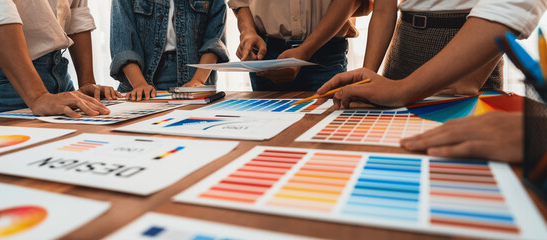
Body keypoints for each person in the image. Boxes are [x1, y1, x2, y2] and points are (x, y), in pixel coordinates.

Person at [317, 0, 547, 161]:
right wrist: (365, 78)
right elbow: (385, 7)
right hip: (406, 38)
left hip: (472, 39)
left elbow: (510, 5)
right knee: (394, 148)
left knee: (459, 152)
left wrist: (476, 71)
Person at [0, 0, 121, 120]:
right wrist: (38, 96)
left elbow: (76, 8)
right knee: (4, 173)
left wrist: (87, 81)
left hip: (56, 70)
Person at [364, 0, 505, 95]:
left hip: (473, 41)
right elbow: (383, 10)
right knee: (395, 133)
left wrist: (476, 76)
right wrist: (365, 79)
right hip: (405, 44)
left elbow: (510, 8)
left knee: (470, 133)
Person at [229, 0, 373, 91]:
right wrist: (247, 31)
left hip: (324, 57)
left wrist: (305, 50)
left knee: (323, 135)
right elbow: (241, 2)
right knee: (263, 134)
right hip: (266, 56)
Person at [110, 0, 228, 101]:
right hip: (138, 81)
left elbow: (214, 39)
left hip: (196, 78)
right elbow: (123, 41)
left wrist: (198, 80)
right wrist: (140, 84)